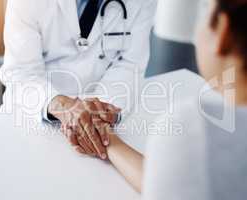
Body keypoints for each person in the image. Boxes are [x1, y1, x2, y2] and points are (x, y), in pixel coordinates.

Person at [97, 0, 247, 197]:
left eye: (204, 11)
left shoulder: (196, 128)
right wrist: (109, 140)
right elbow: (172, 182)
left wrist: (99, 130)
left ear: (222, 29)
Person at [0, 0, 157, 160]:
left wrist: (98, 113)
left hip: (99, 117)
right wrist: (63, 106)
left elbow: (128, 65)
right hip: (34, 112)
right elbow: (21, 71)